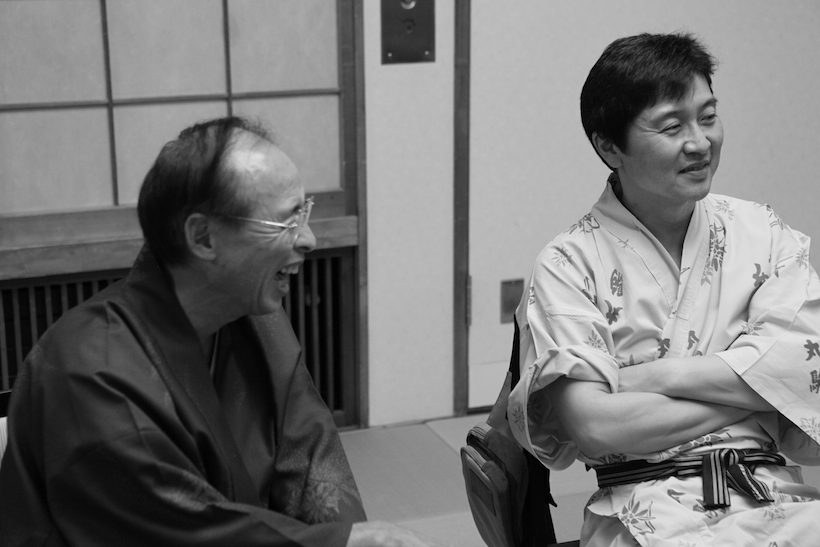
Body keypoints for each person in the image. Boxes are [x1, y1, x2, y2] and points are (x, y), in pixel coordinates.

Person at [0, 117, 440, 547]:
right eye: (287, 220)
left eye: (304, 211)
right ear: (203, 238)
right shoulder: (90, 373)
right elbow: (175, 530)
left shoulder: (255, 318)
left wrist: (355, 537)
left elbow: (310, 459)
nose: (308, 239)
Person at [507, 33, 820, 546]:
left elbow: (811, 380)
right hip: (642, 512)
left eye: (708, 117)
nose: (700, 142)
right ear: (609, 146)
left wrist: (652, 377)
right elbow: (597, 428)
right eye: (672, 126)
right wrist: (765, 390)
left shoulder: (764, 234)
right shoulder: (568, 263)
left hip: (775, 496)